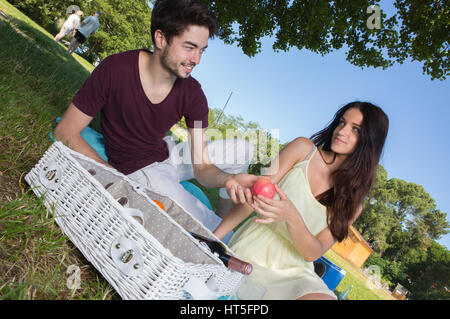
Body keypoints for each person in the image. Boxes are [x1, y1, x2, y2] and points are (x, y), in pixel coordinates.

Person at [54, 0, 257, 233]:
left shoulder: (194, 94)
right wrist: (118, 180)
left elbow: (203, 167)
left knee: (244, 149)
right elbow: (65, 132)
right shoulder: (115, 69)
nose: (197, 59)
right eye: (189, 47)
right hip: (142, 171)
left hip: (167, 153)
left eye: (201, 50)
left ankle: (224, 219)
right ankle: (221, 232)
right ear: (161, 39)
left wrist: (227, 180)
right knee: (220, 235)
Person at [213, 101, 389, 300]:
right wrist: (213, 240)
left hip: (296, 270)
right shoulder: (303, 149)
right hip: (254, 252)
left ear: (369, 142)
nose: (341, 131)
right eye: (341, 122)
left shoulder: (353, 205)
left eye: (355, 129)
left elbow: (313, 253)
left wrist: (292, 217)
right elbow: (253, 198)